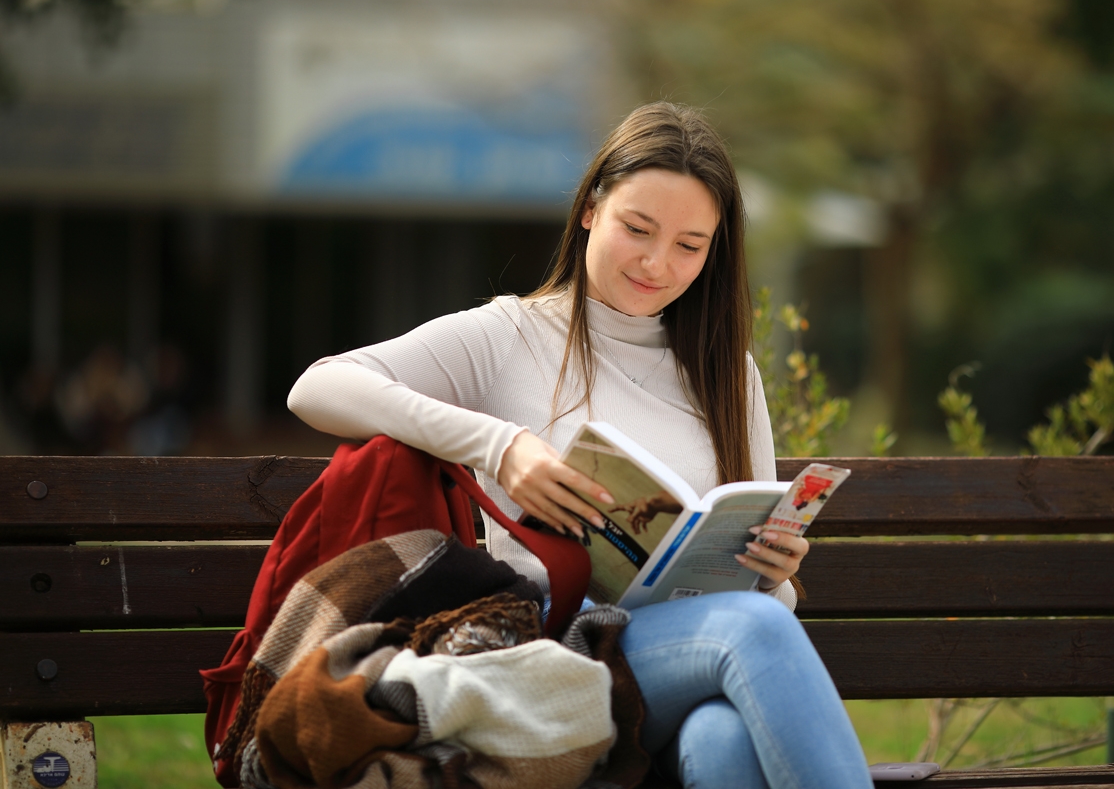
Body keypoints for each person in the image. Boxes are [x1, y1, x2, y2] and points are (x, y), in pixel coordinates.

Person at [288, 101, 873, 789]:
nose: (658, 263)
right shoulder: (509, 337)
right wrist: (501, 445)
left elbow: (753, 582)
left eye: (690, 245)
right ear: (592, 208)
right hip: (561, 658)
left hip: (689, 664)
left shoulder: (725, 370)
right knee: (755, 631)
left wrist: (774, 567)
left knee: (722, 739)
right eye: (638, 229)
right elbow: (319, 388)